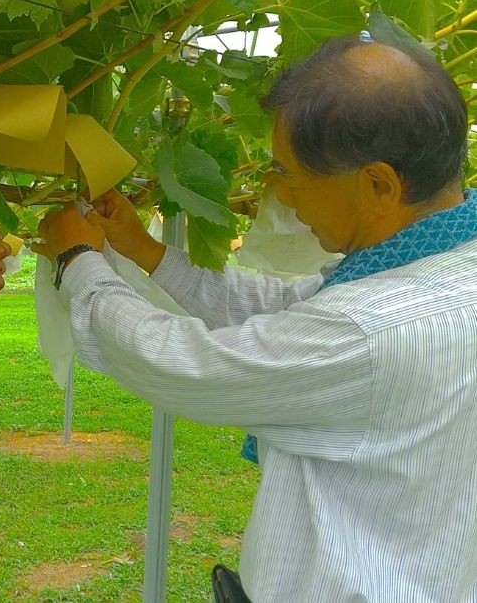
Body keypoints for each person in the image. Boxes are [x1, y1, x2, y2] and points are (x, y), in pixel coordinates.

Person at [32, 35, 477, 602]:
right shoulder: (443, 264)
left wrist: (78, 260)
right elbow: (285, 309)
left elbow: (179, 363)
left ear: (378, 184)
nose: (282, 196)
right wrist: (143, 249)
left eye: (290, 175)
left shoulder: (372, 329)